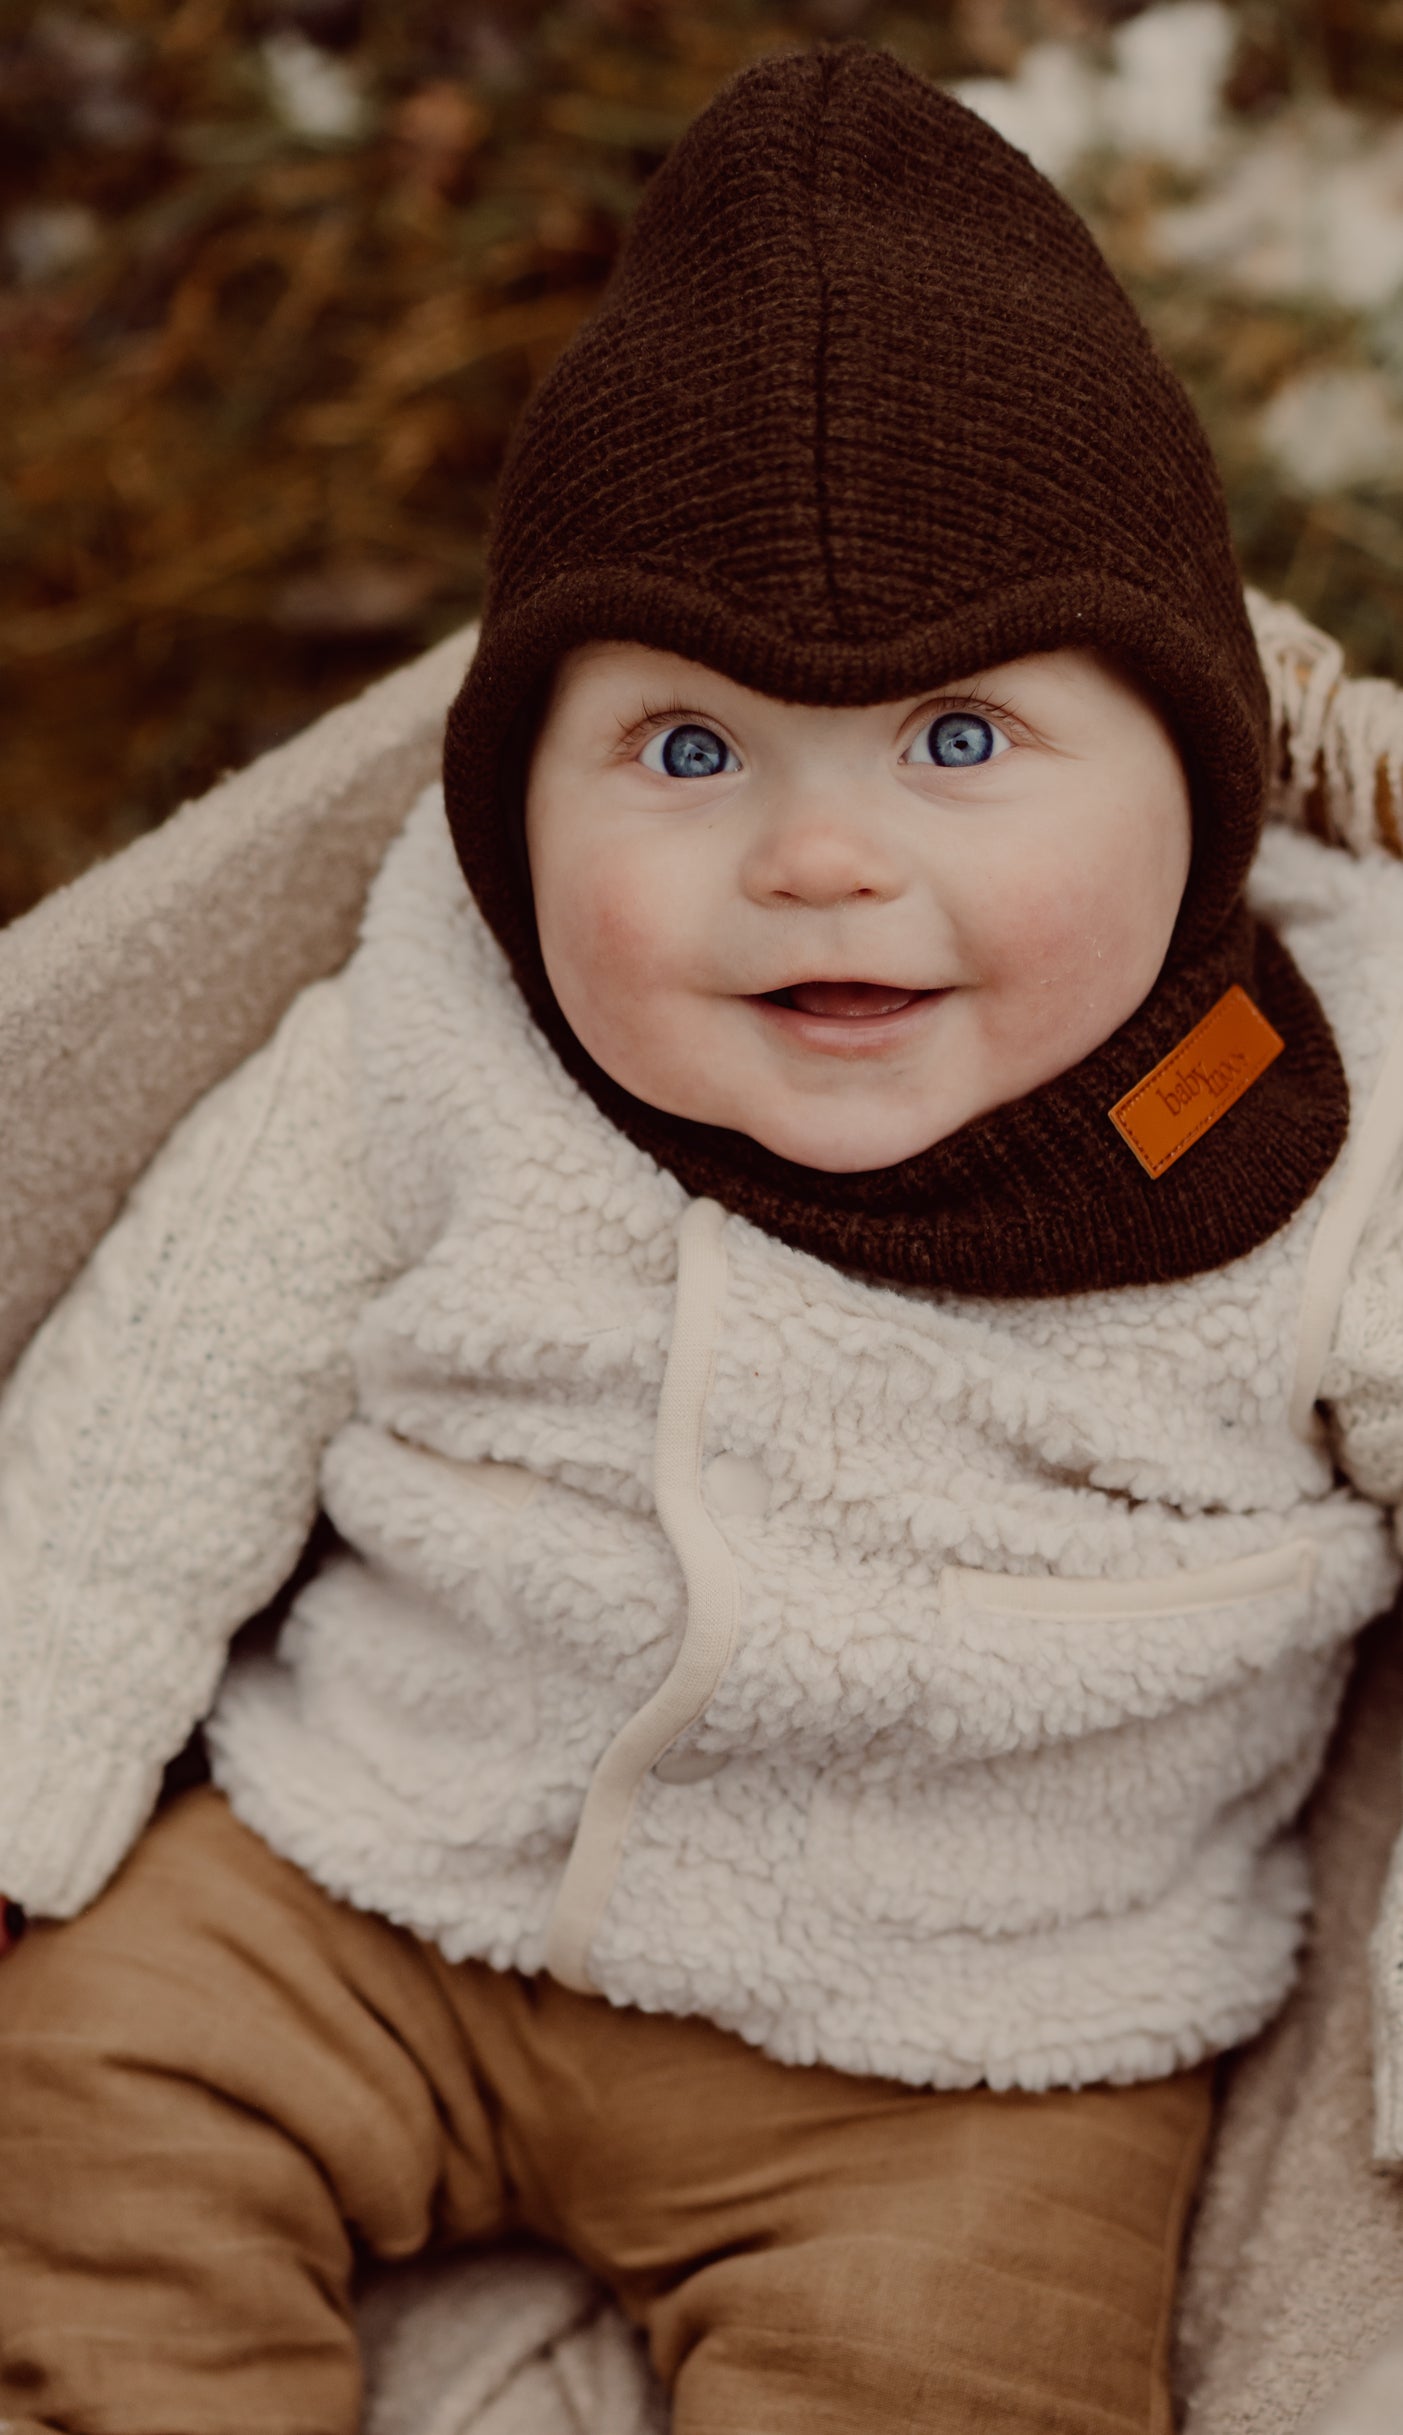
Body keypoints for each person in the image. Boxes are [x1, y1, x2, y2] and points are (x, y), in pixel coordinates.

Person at [3, 39, 1403, 2435]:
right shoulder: (444, 1015)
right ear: (507, 782)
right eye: (683, 749)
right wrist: (32, 1794)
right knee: (69, 2106)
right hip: (382, 1879)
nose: (818, 860)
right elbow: (166, 1395)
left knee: (957, 2384)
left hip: (972, 2047)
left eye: (959, 742)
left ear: (1190, 769)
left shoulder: (1343, 1135)